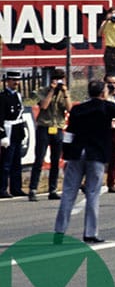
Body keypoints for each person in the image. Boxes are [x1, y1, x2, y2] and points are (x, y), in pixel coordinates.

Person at [55, 80, 115, 243]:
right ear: (103, 93)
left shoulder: (78, 109)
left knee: (68, 193)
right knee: (92, 193)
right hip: (95, 155)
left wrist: (67, 154)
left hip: (77, 154)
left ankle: (59, 233)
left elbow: (69, 133)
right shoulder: (106, 107)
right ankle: (90, 233)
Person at [29, 68, 70, 201]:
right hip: (44, 127)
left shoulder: (64, 92)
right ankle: (33, 189)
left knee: (55, 159)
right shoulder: (43, 91)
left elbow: (69, 109)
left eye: (61, 79)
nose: (58, 82)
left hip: (57, 127)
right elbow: (44, 106)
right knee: (39, 159)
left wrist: (65, 93)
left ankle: (52, 189)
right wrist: (52, 91)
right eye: (56, 79)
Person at [1, 70, 29, 198]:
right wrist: (2, 136)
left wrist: (23, 132)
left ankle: (16, 188)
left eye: (17, 80)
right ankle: (2, 189)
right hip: (8, 130)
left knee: (17, 162)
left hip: (17, 131)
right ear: (8, 81)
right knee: (6, 163)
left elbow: (20, 116)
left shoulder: (18, 95)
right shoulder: (3, 97)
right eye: (13, 80)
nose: (16, 83)